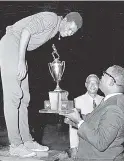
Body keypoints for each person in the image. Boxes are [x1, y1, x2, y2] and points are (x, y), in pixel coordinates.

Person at [0, 11, 83, 157]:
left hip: (19, 48)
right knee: (14, 95)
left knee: (24, 98)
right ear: (64, 19)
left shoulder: (54, 29)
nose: (69, 33)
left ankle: (26, 141)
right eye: (70, 28)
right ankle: (15, 144)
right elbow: (26, 31)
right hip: (12, 43)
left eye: (73, 32)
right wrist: (20, 61)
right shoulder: (51, 18)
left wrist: (22, 58)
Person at [63, 65, 124, 161]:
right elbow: (94, 120)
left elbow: (101, 142)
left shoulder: (114, 107)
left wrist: (79, 121)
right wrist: (73, 119)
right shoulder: (109, 100)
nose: (101, 77)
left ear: (111, 81)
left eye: (104, 74)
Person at [68, 74, 104, 158]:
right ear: (86, 85)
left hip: (100, 144)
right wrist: (73, 147)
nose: (92, 85)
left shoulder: (104, 100)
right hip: (83, 143)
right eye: (90, 83)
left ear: (99, 85)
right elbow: (73, 126)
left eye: (95, 83)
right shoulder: (77, 101)